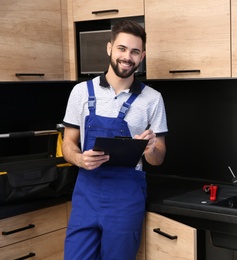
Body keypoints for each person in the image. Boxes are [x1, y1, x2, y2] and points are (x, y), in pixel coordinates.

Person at [62, 20, 168, 260]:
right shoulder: (80, 92)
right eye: (122, 48)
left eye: (134, 51)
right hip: (86, 194)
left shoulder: (153, 99)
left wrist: (151, 149)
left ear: (142, 56)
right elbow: (67, 143)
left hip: (126, 198)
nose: (127, 56)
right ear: (110, 48)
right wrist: (79, 158)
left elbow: (159, 157)